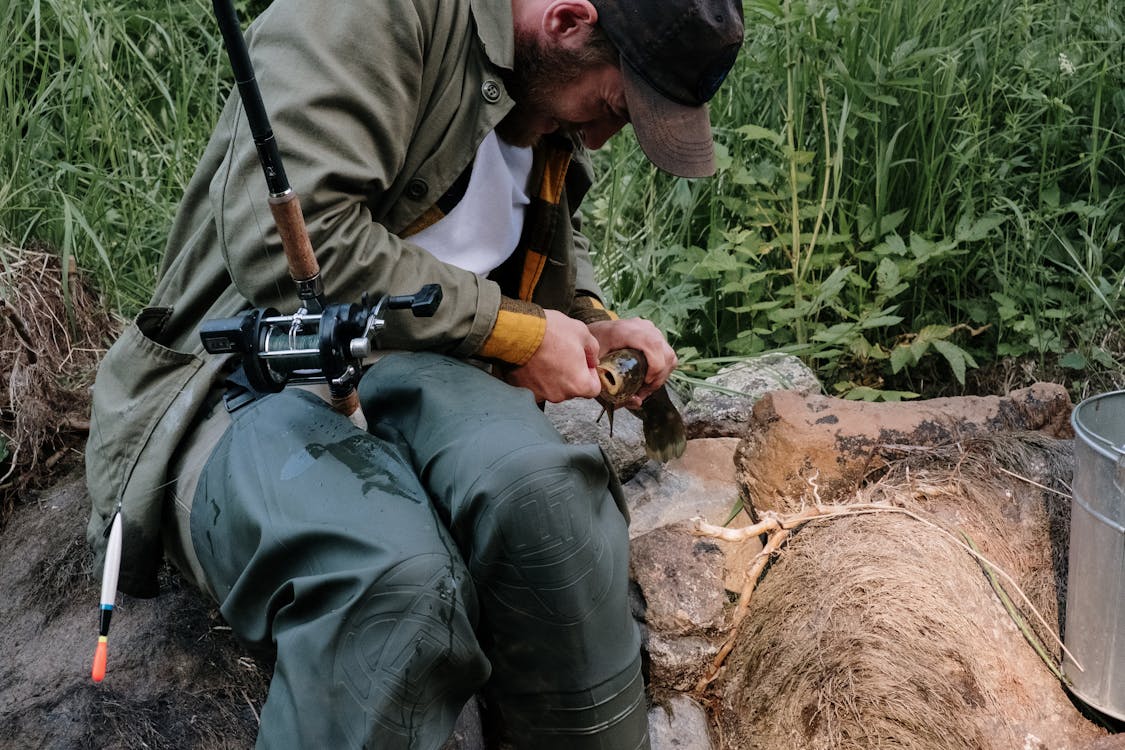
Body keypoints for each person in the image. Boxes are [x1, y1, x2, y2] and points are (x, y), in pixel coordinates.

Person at [84, 0, 743, 746]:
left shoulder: (542, 81)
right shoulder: (364, 18)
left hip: (432, 363)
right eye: (612, 108)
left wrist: (587, 320)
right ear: (565, 20)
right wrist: (511, 332)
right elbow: (292, 245)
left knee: (551, 510)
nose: (599, 136)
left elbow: (528, 208)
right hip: (253, 368)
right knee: (390, 589)